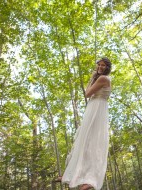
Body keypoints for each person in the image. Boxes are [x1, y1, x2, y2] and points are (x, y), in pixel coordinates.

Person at [54, 57, 113, 190]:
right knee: (84, 141)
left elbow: (87, 93)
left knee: (91, 142)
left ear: (107, 68)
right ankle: (72, 175)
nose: (100, 67)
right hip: (94, 108)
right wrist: (94, 77)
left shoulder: (103, 79)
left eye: (103, 65)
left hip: (97, 109)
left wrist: (93, 77)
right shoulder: (101, 78)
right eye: (99, 65)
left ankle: (90, 180)